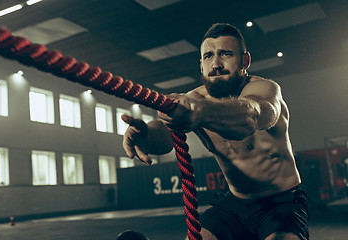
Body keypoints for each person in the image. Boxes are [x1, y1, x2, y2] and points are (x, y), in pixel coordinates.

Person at [122, 23, 309, 240]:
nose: (216, 64)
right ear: (201, 65)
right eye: (209, 56)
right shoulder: (194, 101)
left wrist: (199, 112)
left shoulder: (265, 89)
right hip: (235, 203)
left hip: (281, 201)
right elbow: (166, 132)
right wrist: (146, 134)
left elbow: (251, 116)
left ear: (245, 61)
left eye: (225, 54)